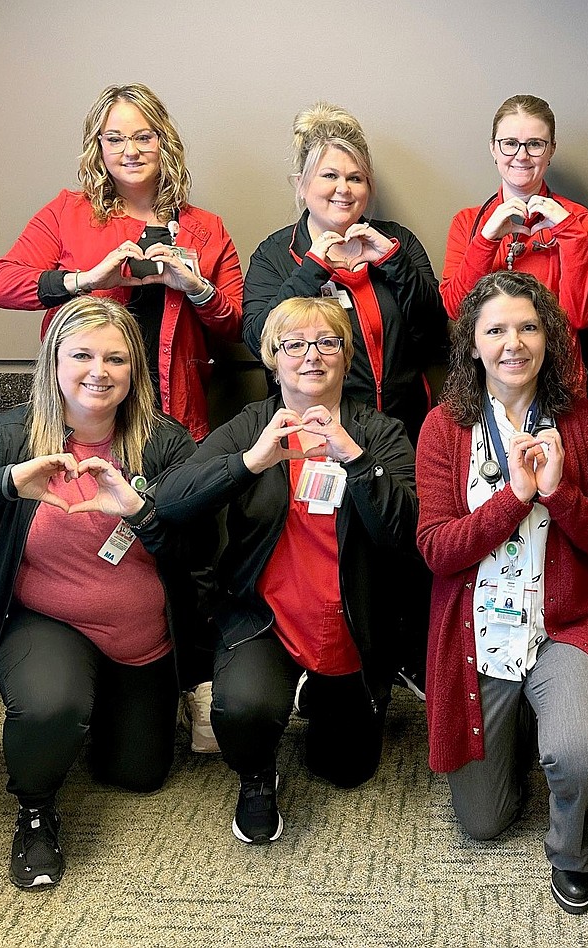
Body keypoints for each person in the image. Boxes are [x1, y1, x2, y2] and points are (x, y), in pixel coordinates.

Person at [0, 296, 201, 890]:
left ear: (135, 370)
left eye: (116, 358)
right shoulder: (12, 435)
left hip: (140, 638)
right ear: (53, 361)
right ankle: (35, 809)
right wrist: (6, 483)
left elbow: (203, 555)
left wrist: (143, 513)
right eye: (82, 354)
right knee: (53, 704)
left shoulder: (165, 444)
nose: (99, 371)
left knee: (138, 774)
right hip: (45, 620)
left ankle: (109, 705)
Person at [155, 296, 418, 845]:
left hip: (351, 624)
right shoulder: (252, 425)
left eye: (327, 343)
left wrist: (357, 462)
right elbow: (170, 501)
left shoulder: (380, 432)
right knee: (243, 709)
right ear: (272, 359)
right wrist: (250, 462)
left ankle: (319, 693)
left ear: (348, 359)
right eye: (293, 344)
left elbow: (407, 536)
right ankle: (256, 777)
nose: (311, 356)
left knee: (347, 770)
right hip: (264, 620)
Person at [416, 271, 588, 915]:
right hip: (476, 635)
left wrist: (560, 494)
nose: (513, 343)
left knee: (582, 758)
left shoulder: (583, 424)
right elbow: (436, 549)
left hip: (561, 628)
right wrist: (515, 498)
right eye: (496, 330)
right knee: (483, 822)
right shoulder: (443, 428)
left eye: (528, 327)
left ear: (549, 339)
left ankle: (572, 845)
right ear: (473, 345)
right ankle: (517, 743)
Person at [241, 102, 444, 700]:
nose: (343, 188)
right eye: (329, 176)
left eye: (355, 177)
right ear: (301, 185)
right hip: (317, 429)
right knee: (340, 547)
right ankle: (330, 660)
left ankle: (403, 656)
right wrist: (314, 266)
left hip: (401, 424)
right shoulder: (276, 254)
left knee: (402, 538)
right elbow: (261, 340)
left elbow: (438, 332)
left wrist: (393, 263)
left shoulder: (398, 243)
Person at [0, 82, 244, 442]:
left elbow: (237, 326)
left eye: (143, 137)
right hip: (80, 416)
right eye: (115, 139)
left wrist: (197, 289)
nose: (131, 151)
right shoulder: (67, 212)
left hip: (173, 414)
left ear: (163, 142)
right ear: (99, 147)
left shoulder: (205, 229)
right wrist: (85, 279)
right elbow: (1, 286)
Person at [440, 94, 588, 377]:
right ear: (493, 148)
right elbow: (457, 310)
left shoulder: (578, 220)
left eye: (535, 144)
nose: (521, 155)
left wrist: (568, 233)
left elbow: (582, 315)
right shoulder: (467, 222)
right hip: (487, 383)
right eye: (509, 144)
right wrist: (486, 240)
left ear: (551, 149)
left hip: (558, 382)